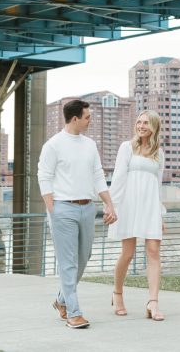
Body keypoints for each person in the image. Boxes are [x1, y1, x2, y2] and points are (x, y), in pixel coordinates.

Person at [37, 98, 117, 329]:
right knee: (68, 263)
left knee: (84, 257)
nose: (90, 120)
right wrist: (52, 207)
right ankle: (73, 312)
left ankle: (61, 300)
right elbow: (44, 176)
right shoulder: (53, 145)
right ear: (75, 119)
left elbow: (98, 175)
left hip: (88, 207)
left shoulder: (90, 145)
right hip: (63, 208)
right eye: (87, 117)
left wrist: (109, 204)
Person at [108, 110, 167, 321]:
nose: (141, 126)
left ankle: (153, 302)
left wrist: (160, 214)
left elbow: (158, 187)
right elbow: (118, 178)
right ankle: (117, 293)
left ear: (154, 127)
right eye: (139, 122)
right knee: (128, 253)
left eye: (146, 123)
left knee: (153, 251)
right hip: (129, 204)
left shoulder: (159, 153)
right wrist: (112, 207)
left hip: (150, 205)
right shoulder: (127, 148)